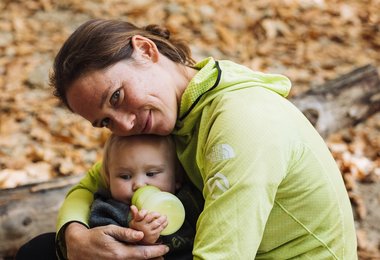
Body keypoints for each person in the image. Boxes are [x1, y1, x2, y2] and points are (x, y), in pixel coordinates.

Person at [19, 18, 357, 259]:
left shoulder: (240, 121)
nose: (124, 124)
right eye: (105, 121)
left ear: (145, 51)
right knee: (41, 250)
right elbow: (90, 186)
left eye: (118, 96)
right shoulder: (175, 112)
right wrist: (74, 237)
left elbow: (221, 255)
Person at [88, 134, 201, 260]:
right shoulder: (107, 212)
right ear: (109, 181)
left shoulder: (191, 200)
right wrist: (139, 238)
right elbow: (103, 250)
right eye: (125, 176)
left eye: (151, 173)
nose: (139, 185)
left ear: (177, 177)